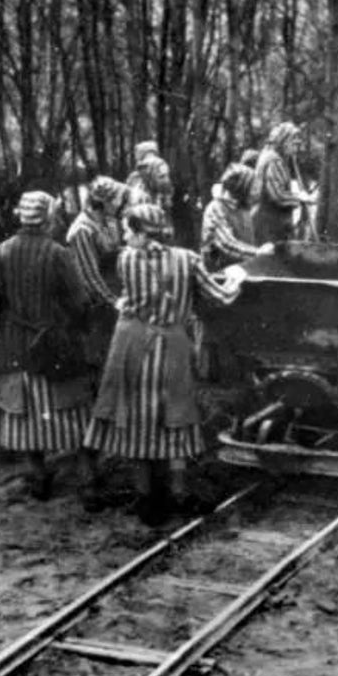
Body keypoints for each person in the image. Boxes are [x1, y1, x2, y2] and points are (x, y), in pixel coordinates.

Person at [83, 202, 246, 527]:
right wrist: (235, 277)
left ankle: (144, 495)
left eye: (131, 230)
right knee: (175, 417)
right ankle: (179, 492)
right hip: (170, 346)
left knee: (138, 418)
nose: (126, 237)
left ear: (144, 233)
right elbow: (220, 297)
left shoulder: (126, 260)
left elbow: (139, 291)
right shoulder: (187, 260)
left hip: (131, 344)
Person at [0, 191, 98, 502]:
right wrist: (76, 332)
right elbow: (79, 303)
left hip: (15, 347)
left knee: (23, 413)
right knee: (74, 412)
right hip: (56, 345)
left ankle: (38, 477)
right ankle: (88, 481)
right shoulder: (58, 253)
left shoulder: (2, 251)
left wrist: (7, 332)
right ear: (48, 218)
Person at [66, 175, 129, 377]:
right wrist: (114, 302)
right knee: (100, 357)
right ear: (104, 202)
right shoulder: (82, 230)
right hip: (96, 305)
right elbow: (89, 276)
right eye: (118, 200)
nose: (121, 205)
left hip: (110, 299)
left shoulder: (104, 223)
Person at [200, 163, 271, 272]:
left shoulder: (242, 209)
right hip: (219, 277)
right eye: (252, 188)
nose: (255, 193)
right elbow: (226, 245)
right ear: (240, 189)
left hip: (242, 272)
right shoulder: (216, 209)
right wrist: (258, 253)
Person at [252, 122, 305, 245]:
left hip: (267, 223)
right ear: (284, 141)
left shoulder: (270, 157)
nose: (296, 149)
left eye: (297, 145)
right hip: (269, 226)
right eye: (294, 144)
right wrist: (300, 198)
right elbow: (277, 195)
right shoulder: (274, 161)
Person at [126, 141, 173, 212]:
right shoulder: (159, 163)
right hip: (155, 206)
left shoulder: (134, 174)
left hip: (137, 208)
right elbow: (164, 182)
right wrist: (167, 199)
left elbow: (128, 191)